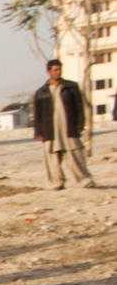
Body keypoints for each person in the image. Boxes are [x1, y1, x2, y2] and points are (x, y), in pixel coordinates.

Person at [31, 59, 95, 189]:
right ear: (48, 72)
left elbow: (79, 107)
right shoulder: (41, 92)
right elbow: (37, 114)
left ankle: (84, 180)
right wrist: (38, 131)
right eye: (55, 70)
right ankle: (56, 183)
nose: (58, 72)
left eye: (59, 69)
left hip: (69, 128)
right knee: (52, 159)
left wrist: (80, 124)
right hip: (50, 130)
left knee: (75, 155)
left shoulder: (71, 87)